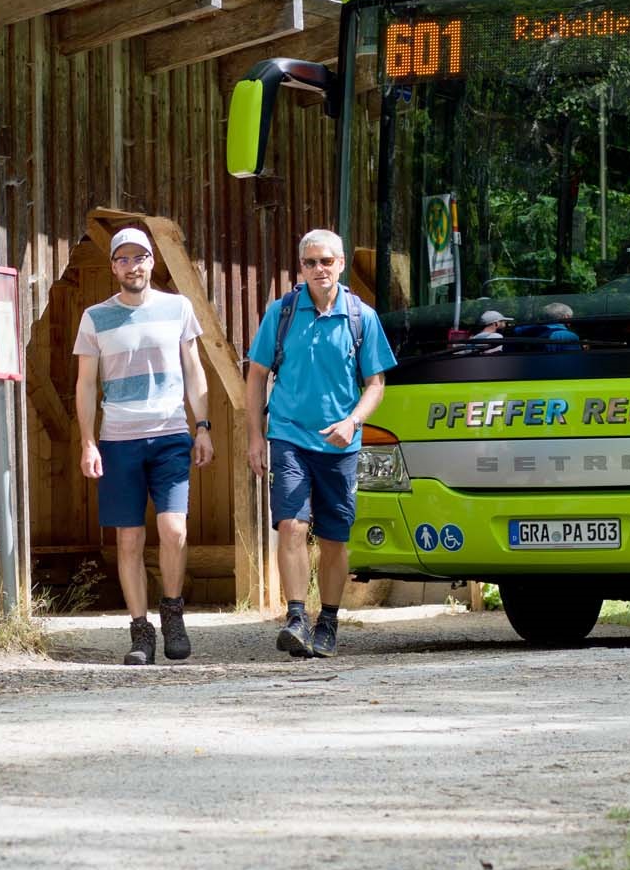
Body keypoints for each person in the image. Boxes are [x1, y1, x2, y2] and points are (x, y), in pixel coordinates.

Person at [245, 228, 397, 659]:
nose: (318, 269)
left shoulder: (360, 317)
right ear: (301, 268)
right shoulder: (283, 312)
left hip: (341, 445)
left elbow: (376, 384)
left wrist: (352, 422)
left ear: (341, 264)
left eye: (326, 261)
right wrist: (255, 436)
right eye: (310, 262)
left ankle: (327, 621)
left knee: (334, 538)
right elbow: (256, 376)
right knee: (291, 525)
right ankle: (295, 617)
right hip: (289, 435)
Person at [74, 227, 214, 665]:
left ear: (152, 262)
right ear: (113, 266)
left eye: (139, 258)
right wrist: (88, 442)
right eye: (122, 259)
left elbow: (194, 369)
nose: (131, 266)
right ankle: (140, 631)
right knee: (129, 540)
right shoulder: (95, 317)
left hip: (171, 434)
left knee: (175, 530)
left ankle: (172, 613)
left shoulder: (178, 308)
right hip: (118, 440)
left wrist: (203, 426)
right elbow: (84, 384)